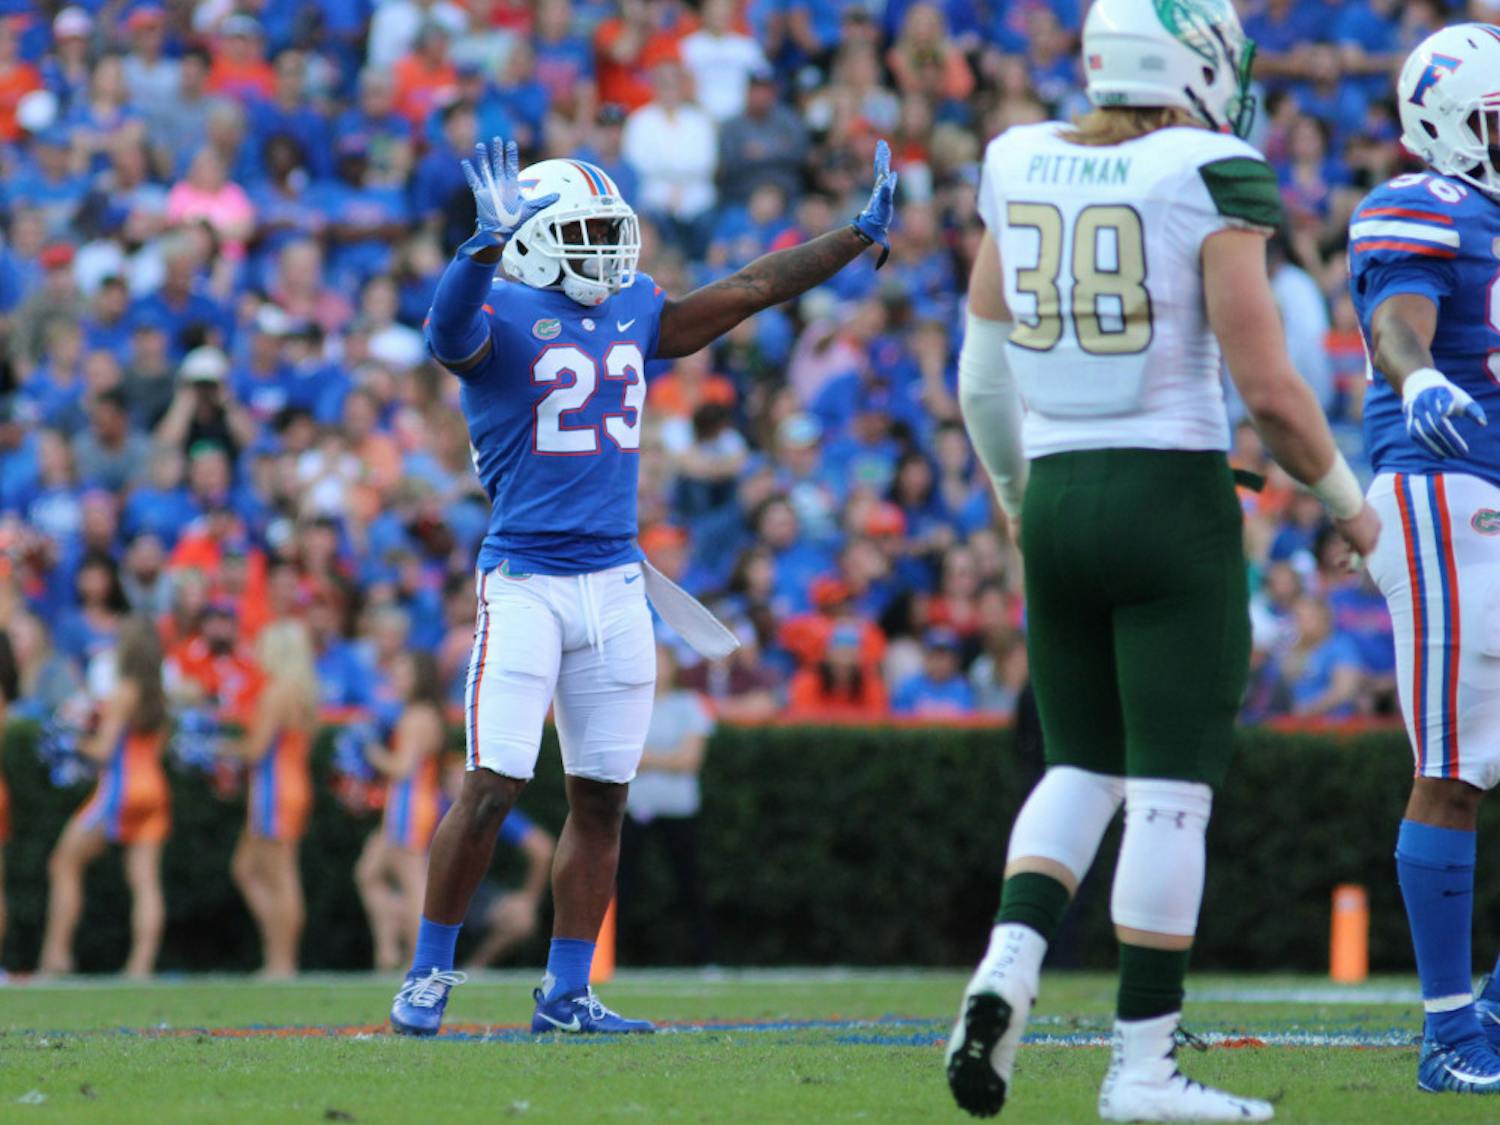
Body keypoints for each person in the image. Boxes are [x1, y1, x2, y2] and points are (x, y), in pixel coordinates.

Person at [943, 0, 1379, 1120]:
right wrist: (1350, 505)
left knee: (1077, 768)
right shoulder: (1210, 166)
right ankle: (1141, 1072)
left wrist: (1012, 496)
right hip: (1169, 493)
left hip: (1056, 497)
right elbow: (1273, 394)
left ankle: (1007, 967)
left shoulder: (1018, 154)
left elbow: (981, 377)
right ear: (1192, 61)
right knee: (1172, 798)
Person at [388, 134, 894, 1036]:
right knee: (494, 783)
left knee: (603, 797)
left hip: (617, 580)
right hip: (526, 582)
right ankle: (429, 971)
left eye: (606, 231)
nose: (606, 251)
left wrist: (852, 238)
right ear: (531, 239)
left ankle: (569, 992)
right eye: (582, 233)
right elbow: (444, 336)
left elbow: (747, 290)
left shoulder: (630, 305)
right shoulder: (497, 308)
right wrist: (478, 249)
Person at [1348, 23, 1500, 1095]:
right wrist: (1416, 381)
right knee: (1453, 769)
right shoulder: (1421, 202)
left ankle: (1488, 1012)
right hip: (1446, 491)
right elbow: (1397, 325)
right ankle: (1452, 1036)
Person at [39, 617, 172, 978]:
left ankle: (56, 956)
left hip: (120, 789)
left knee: (63, 863)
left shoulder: (126, 690)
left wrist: (68, 741)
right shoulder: (160, 692)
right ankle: (140, 966)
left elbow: (103, 750)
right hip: (154, 789)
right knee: (145, 880)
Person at [220, 620, 317, 979]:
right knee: (246, 869)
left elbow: (256, 749)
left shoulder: (277, 692)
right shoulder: (302, 691)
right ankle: (276, 953)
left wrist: (217, 747)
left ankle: (282, 961)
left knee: (280, 875)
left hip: (275, 788)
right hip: (290, 784)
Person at [618, 644, 714, 964]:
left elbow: (689, 761)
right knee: (622, 885)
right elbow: (620, 758)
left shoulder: (689, 705)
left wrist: (645, 758)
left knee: (690, 883)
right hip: (632, 809)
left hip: (679, 810)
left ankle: (704, 957)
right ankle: (611, 959)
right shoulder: (627, 704)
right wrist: (668, 757)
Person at [357, 651, 448, 972]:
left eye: (403, 671)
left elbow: (402, 767)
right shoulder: (423, 713)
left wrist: (371, 752)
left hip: (409, 807)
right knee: (369, 872)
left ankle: (420, 959)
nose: (395, 678)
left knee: (413, 883)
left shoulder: (415, 717)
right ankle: (390, 948)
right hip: (408, 805)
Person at [461, 805, 557, 969]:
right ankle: (415, 972)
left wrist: (528, 900)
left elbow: (542, 848)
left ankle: (473, 972)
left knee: (520, 920)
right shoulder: (419, 802)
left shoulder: (486, 807)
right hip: (421, 892)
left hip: (473, 894)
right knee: (408, 909)